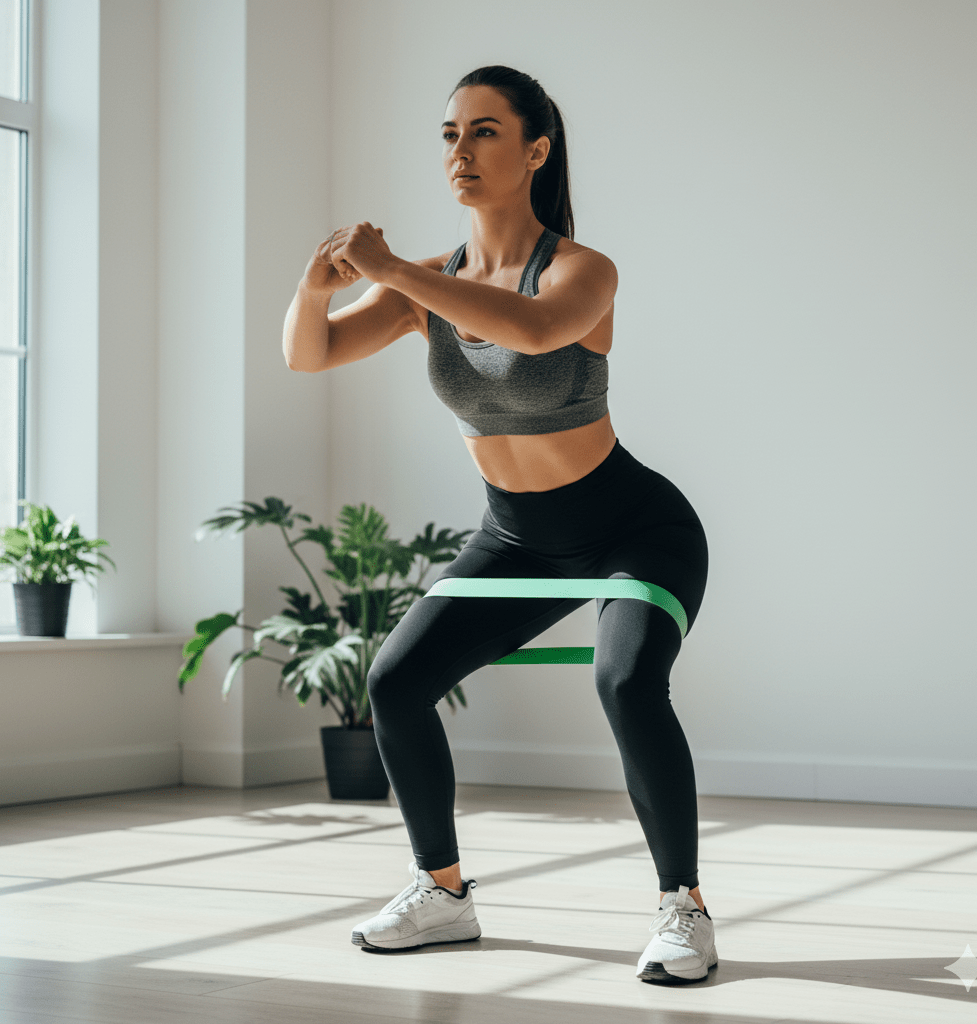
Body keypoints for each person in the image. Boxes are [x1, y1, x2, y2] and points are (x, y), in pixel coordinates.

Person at [282, 65, 715, 985]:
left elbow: (526, 332)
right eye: (449, 134)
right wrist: (316, 286)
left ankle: (684, 907)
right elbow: (308, 354)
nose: (460, 152)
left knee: (629, 683)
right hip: (516, 535)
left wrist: (394, 268)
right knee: (395, 681)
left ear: (535, 150)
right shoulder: (422, 288)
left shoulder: (579, 270)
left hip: (635, 528)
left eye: (483, 132)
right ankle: (442, 893)